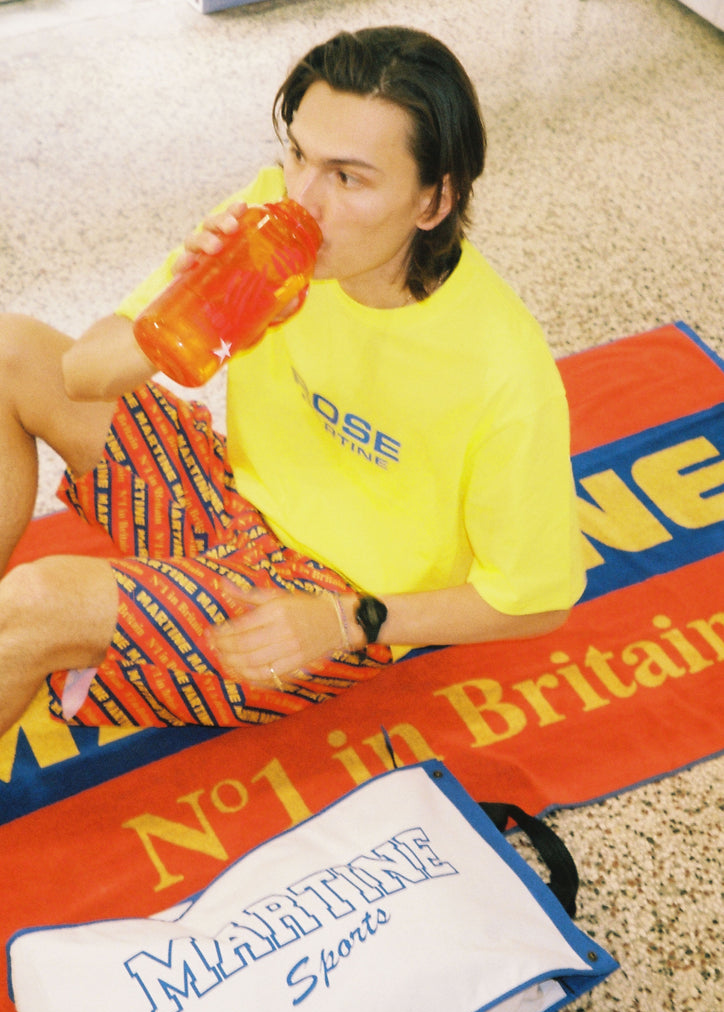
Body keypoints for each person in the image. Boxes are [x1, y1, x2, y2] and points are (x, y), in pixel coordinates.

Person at [0, 26, 585, 734]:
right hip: (226, 496)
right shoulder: (269, 219)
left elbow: (538, 602)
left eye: (348, 177)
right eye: (300, 155)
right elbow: (81, 375)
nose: (303, 200)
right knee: (11, 351)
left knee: (36, 603)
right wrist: (181, 308)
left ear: (433, 202)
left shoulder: (502, 368)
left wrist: (345, 621)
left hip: (319, 602)